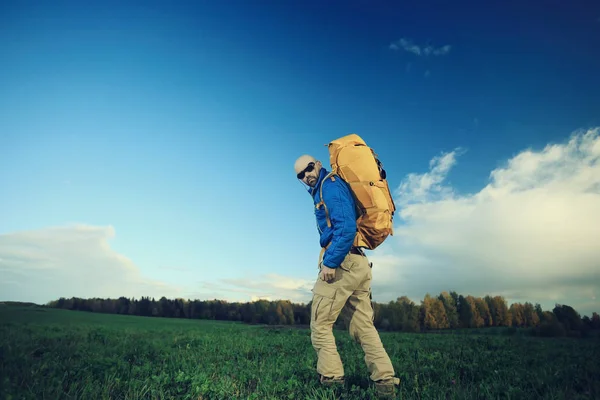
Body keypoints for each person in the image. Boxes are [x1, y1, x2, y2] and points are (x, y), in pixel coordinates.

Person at [294, 154, 400, 399]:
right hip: (358, 263)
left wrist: (330, 262)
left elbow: (346, 227)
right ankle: (384, 382)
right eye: (300, 175)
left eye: (308, 168)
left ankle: (331, 381)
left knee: (320, 324)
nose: (306, 175)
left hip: (342, 261)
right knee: (363, 326)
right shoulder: (323, 189)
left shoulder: (329, 185)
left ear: (318, 164)